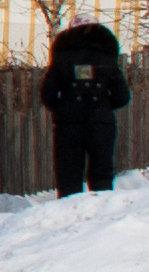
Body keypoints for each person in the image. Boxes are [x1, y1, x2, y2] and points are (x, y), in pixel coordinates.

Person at [43, 19, 130, 196]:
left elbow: (47, 95)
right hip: (101, 124)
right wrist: (104, 106)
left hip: (68, 125)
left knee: (69, 176)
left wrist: (63, 108)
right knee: (102, 174)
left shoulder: (61, 58)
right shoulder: (108, 58)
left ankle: (70, 215)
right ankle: (101, 215)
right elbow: (122, 97)